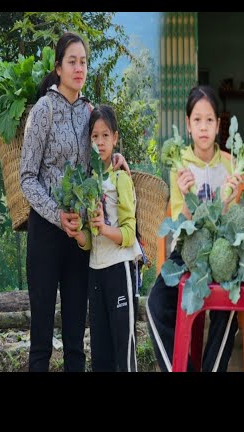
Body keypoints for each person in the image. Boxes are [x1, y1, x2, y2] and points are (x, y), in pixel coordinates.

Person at [20, 32, 128, 372]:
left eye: (83, 62)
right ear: (58, 68)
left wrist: (118, 158)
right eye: (72, 62)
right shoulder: (43, 111)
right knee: (40, 342)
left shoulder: (88, 112)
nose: (79, 68)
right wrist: (57, 215)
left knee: (75, 342)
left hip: (80, 239)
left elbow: (102, 148)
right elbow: (27, 177)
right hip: (46, 235)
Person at [146, 85, 242, 372]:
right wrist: (185, 195)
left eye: (209, 120)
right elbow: (181, 223)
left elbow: (231, 223)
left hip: (221, 252)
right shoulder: (180, 166)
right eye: (197, 120)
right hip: (187, 253)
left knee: (228, 311)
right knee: (154, 305)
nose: (203, 127)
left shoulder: (230, 164)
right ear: (188, 125)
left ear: (218, 125)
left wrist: (228, 197)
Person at [72, 105, 142, 371]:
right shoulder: (87, 181)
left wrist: (103, 228)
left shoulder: (120, 178)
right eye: (94, 137)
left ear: (115, 137)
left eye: (105, 136)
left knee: (124, 350)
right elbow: (90, 240)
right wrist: (81, 234)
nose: (99, 142)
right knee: (99, 354)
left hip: (119, 269)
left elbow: (128, 232)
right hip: (95, 271)